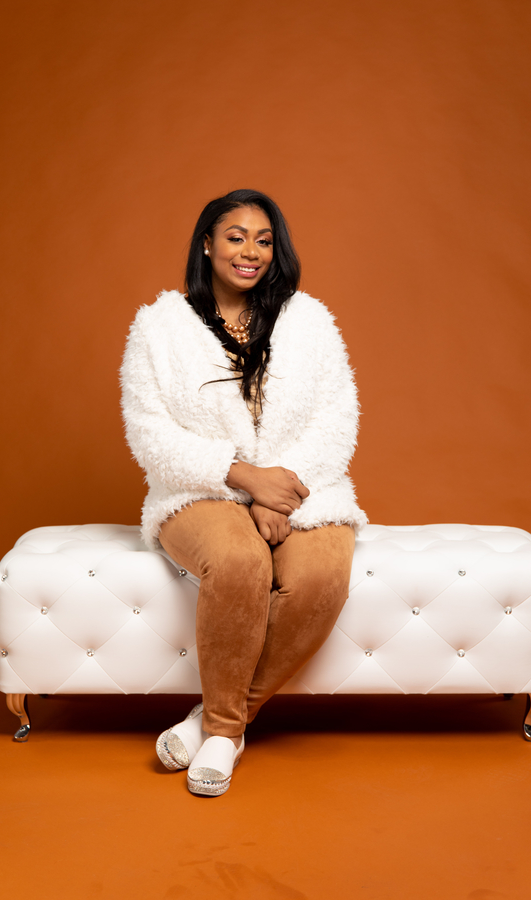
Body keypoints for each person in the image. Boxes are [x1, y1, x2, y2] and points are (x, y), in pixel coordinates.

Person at [121, 189, 367, 796]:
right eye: (235, 237)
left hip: (303, 489)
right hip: (198, 490)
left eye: (263, 240)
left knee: (321, 578)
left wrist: (277, 493)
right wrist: (242, 477)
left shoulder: (310, 321)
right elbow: (149, 433)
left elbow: (338, 419)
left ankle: (213, 723)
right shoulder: (160, 326)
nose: (250, 251)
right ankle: (228, 733)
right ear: (207, 245)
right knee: (237, 561)